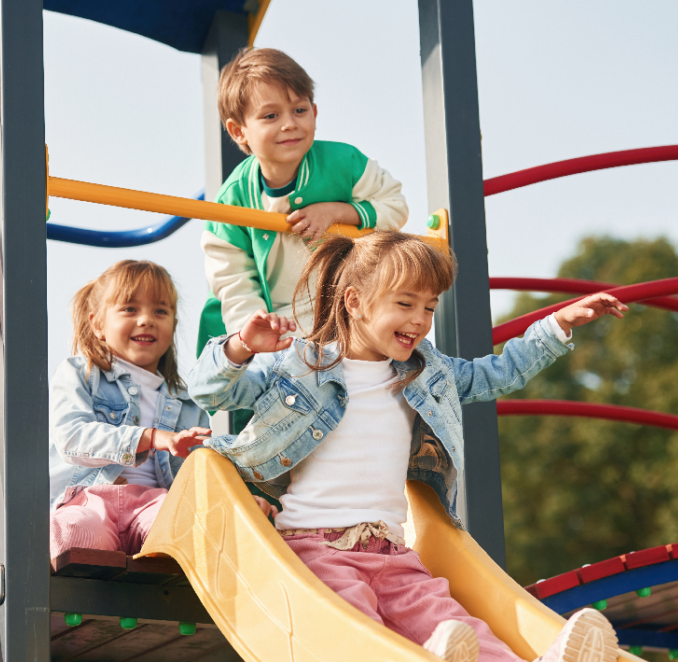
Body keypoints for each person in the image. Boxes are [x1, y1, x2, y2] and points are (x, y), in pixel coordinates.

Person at [189, 231, 628, 662]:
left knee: (454, 625)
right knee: (356, 629)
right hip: (316, 549)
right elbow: (209, 393)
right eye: (405, 304)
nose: (420, 319)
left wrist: (557, 326)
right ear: (355, 302)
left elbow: (495, 374)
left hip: (392, 550)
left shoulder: (425, 373)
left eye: (429, 307)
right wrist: (241, 346)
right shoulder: (301, 366)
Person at [48, 260, 274, 560]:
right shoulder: (81, 373)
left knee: (200, 529)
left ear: (173, 326)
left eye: (160, 311)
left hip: (156, 504)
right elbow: (71, 438)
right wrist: (151, 437)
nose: (146, 320)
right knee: (78, 536)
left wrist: (238, 501)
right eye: (130, 309)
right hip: (90, 498)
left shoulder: (187, 402)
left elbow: (199, 475)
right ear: (98, 324)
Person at [197, 47, 409, 354]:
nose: (289, 124)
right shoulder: (233, 200)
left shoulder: (344, 162)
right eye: (270, 116)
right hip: (279, 319)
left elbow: (395, 205)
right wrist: (257, 329)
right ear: (239, 131)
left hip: (345, 305)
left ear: (315, 112)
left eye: (299, 110)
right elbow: (233, 278)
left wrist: (340, 212)